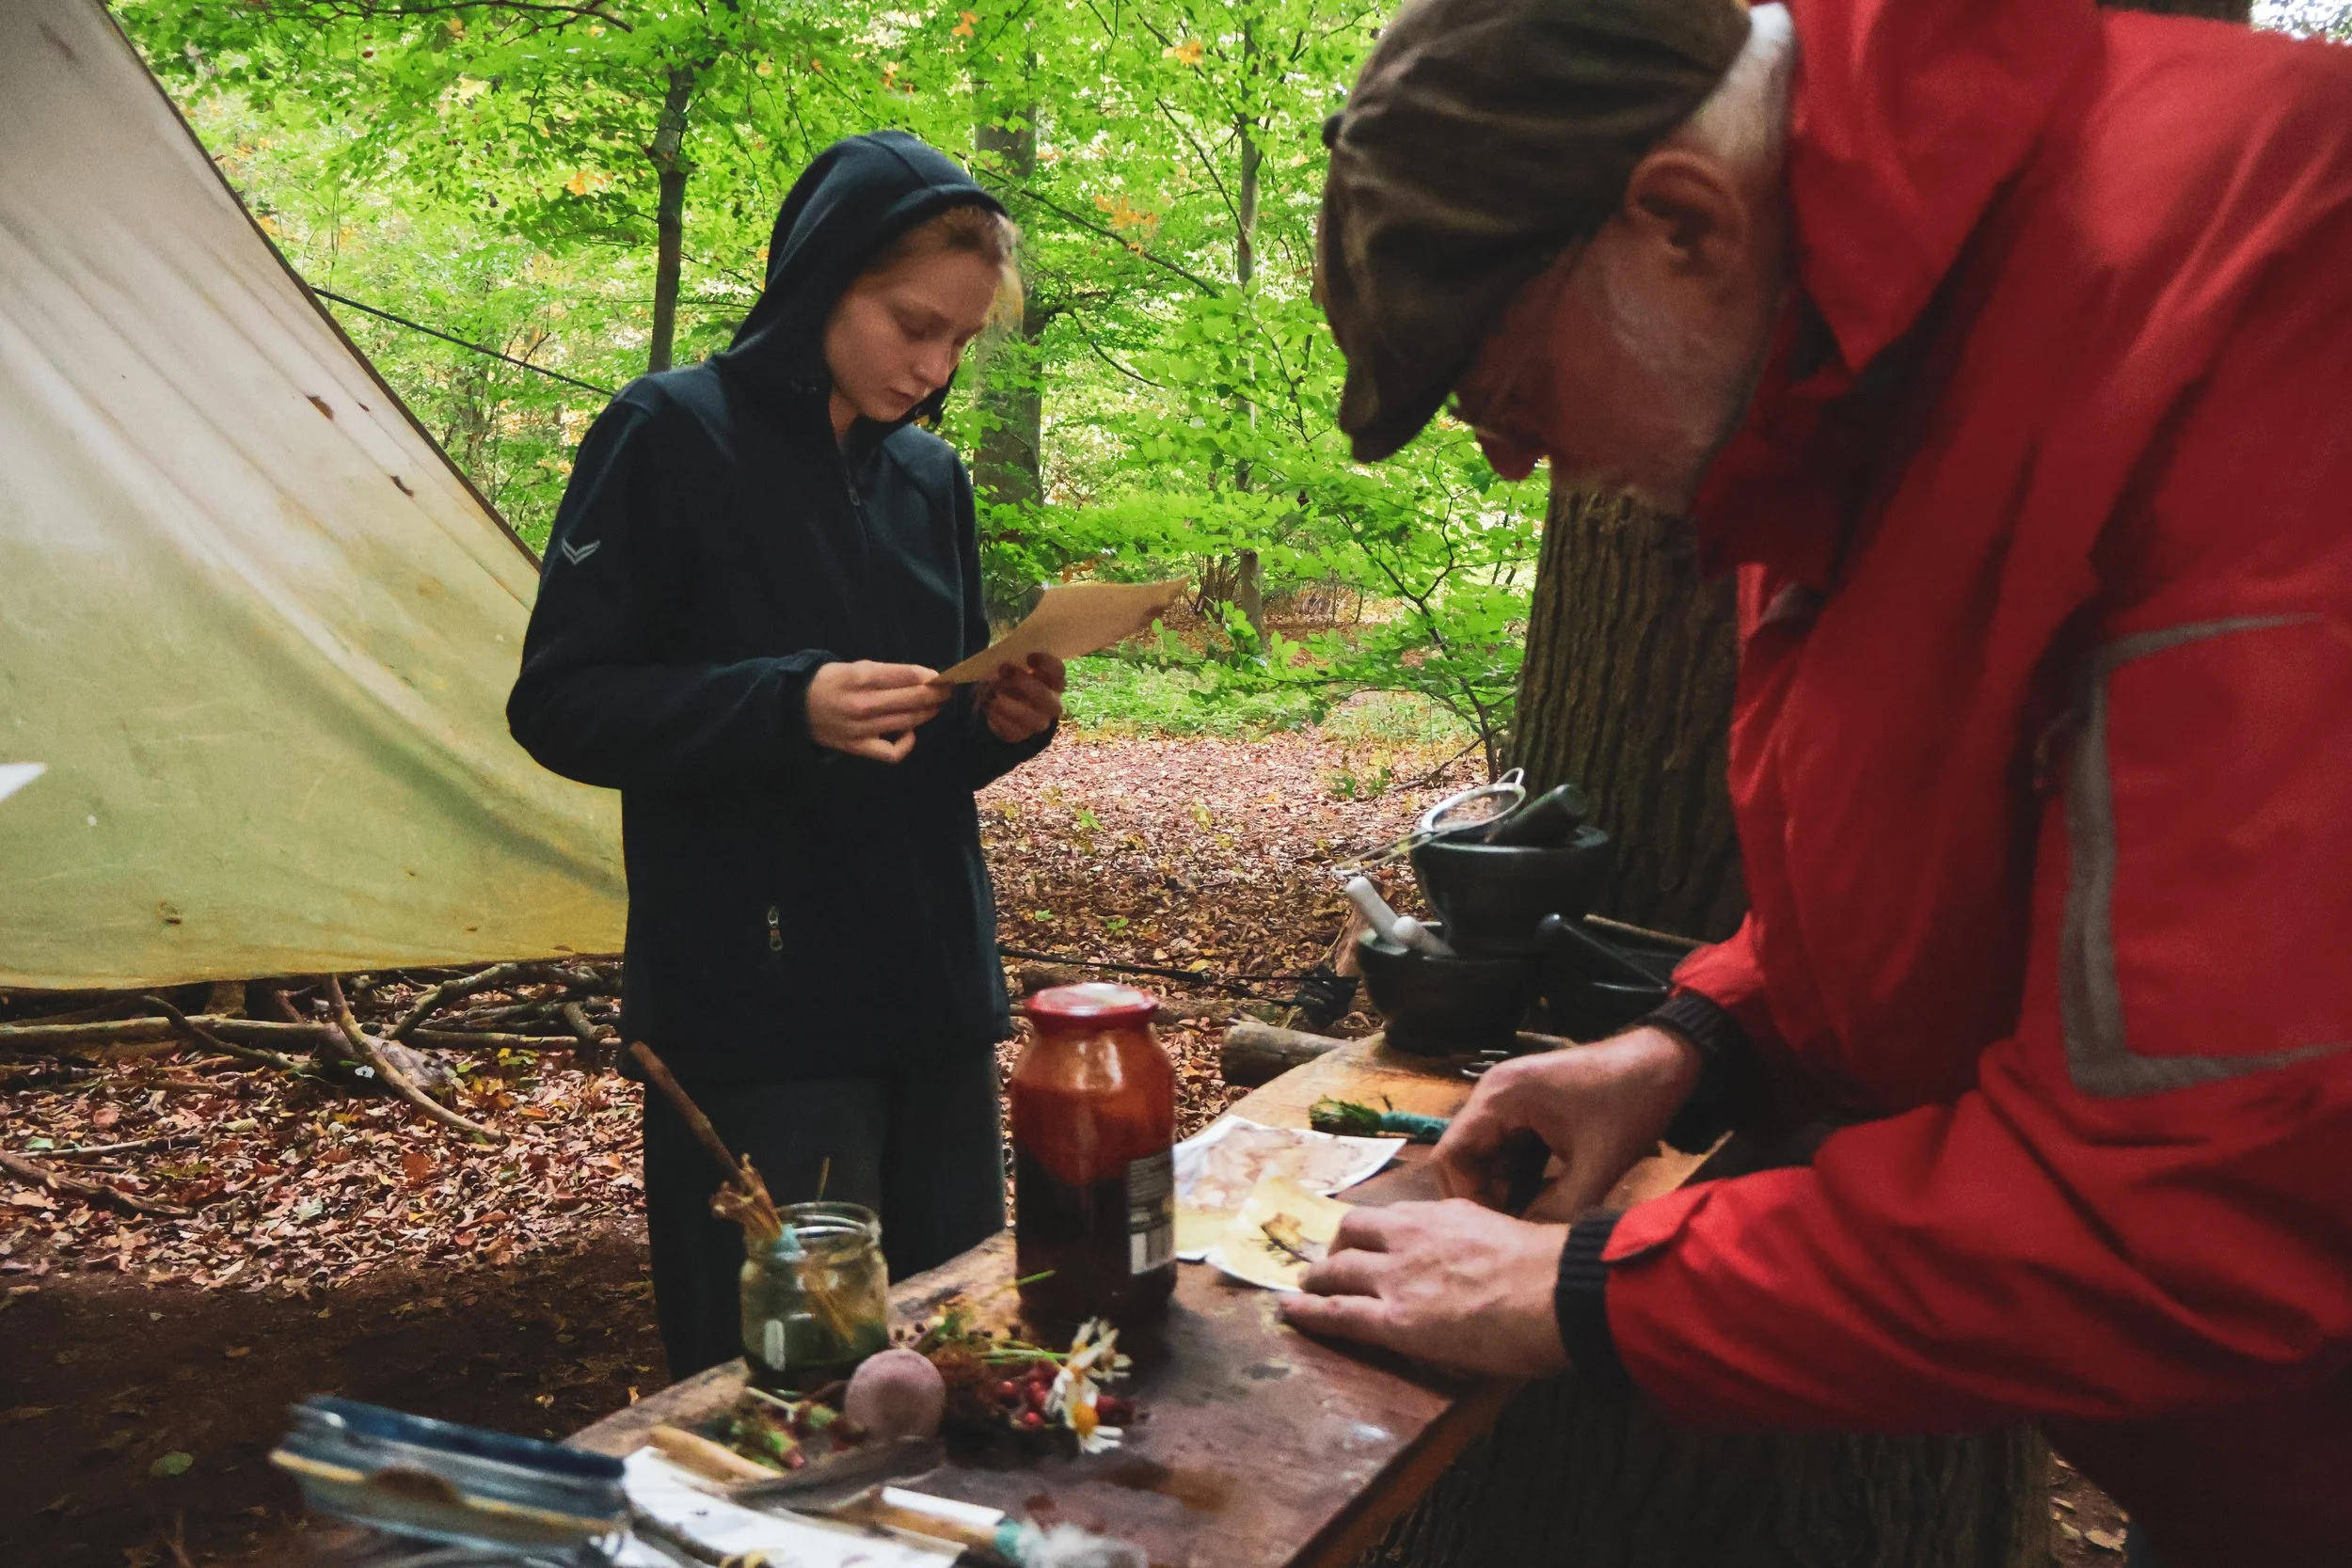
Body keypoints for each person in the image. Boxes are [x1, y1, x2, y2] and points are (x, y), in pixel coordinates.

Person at [1285, 0, 2352, 1563]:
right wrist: (1693, 1040)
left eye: (1514, 391)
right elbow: (1964, 862)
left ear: (1680, 220)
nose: (1516, 464)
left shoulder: (2249, 298)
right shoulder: (1837, 369)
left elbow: (2202, 1194)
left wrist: (1583, 1293)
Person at [507, 132, 1064, 1380]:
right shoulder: (667, 436)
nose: (933, 368)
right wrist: (785, 703)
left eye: (961, 343)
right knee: (799, 1380)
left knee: (955, 1344)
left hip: (931, 993)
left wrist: (996, 724)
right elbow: (562, 702)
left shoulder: (930, 480)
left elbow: (916, 743)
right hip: (761, 1010)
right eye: (913, 323)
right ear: (822, 279)